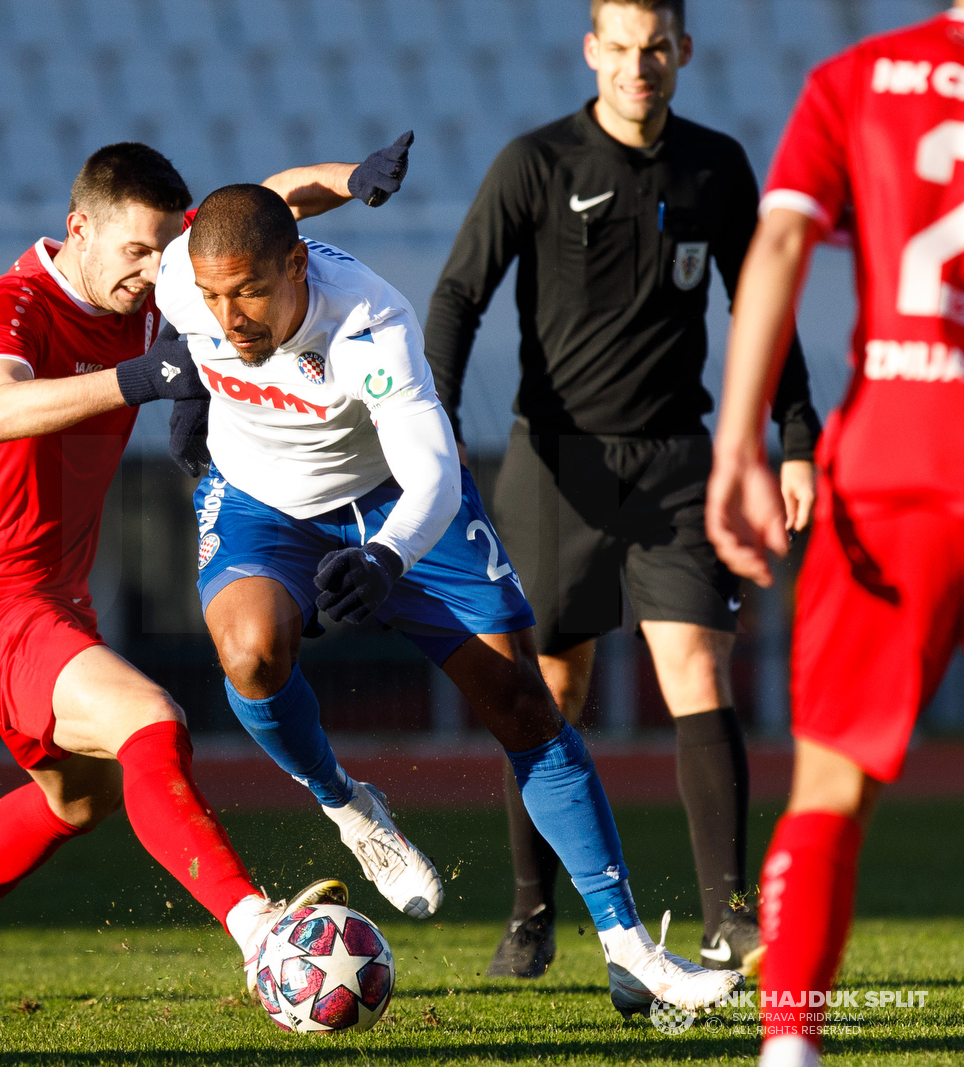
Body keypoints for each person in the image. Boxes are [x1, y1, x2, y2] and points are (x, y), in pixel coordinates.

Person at [0, 138, 417, 1024]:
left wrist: (353, 179)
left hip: (55, 601)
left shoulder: (153, 289)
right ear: (79, 228)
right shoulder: (10, 306)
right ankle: (260, 930)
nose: (156, 275)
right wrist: (140, 379)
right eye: (137, 253)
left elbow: (264, 203)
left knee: (78, 796)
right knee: (151, 722)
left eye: (166, 253)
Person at [154, 181, 742, 1018]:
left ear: (296, 265)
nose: (228, 315)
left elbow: (432, 472)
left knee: (524, 706)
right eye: (214, 296)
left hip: (399, 503)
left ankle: (632, 952)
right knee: (248, 651)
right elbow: (221, 248)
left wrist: (387, 557)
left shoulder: (369, 325)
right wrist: (185, 394)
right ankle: (348, 806)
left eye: (248, 290)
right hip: (262, 504)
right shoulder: (187, 277)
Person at [423, 0, 822, 978]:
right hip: (556, 469)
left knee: (695, 669)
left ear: (682, 52)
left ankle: (726, 914)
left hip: (678, 465)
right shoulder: (535, 163)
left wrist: (795, 437)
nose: (638, 67)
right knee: (546, 689)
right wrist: (427, 425)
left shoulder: (716, 165)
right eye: (622, 49)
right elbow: (458, 294)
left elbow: (759, 303)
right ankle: (531, 914)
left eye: (656, 49)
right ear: (592, 52)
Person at [706, 7, 964, 1067]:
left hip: (900, 453)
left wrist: (737, 445)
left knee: (829, 786)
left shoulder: (858, 76)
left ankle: (789, 1045)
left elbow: (777, 239)